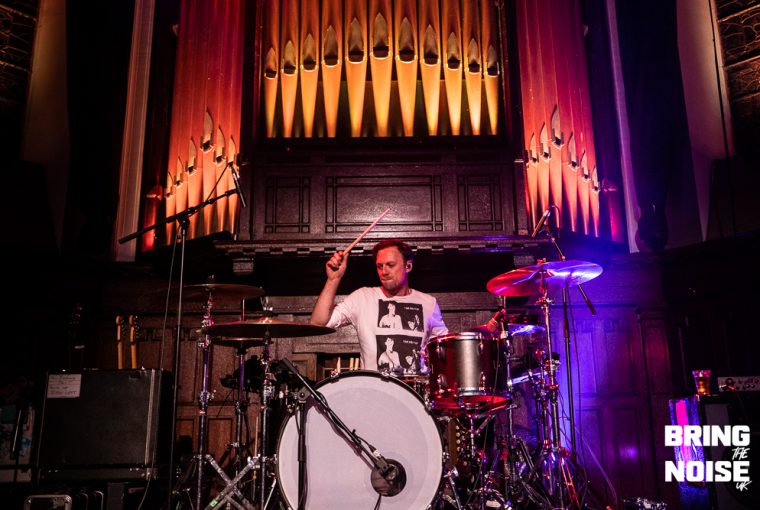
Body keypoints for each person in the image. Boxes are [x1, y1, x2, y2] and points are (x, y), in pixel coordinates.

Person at [310, 238, 448, 372]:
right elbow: (318, 323)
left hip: (415, 386)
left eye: (390, 265)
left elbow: (445, 350)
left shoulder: (429, 303)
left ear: (408, 266)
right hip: (373, 387)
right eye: (379, 266)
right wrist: (333, 279)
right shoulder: (362, 298)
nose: (384, 272)